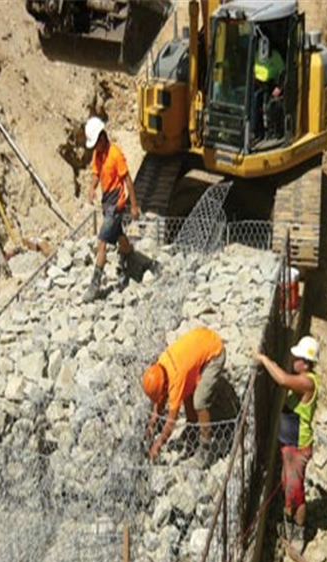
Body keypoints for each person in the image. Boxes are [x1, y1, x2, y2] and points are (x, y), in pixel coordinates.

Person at [254, 335, 320, 551]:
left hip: (297, 447)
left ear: (306, 362)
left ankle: (299, 533)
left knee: (296, 492)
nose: (294, 359)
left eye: (298, 357)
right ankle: (288, 523)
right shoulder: (304, 378)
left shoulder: (306, 382)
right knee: (288, 484)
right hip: (290, 445)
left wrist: (265, 361)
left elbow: (282, 380)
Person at [142, 327, 226, 467]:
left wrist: (157, 446)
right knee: (187, 393)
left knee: (199, 401)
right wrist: (152, 425)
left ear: (164, 386)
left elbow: (171, 422)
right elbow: (160, 401)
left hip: (215, 354)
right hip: (203, 338)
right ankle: (193, 430)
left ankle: (205, 451)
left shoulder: (176, 379)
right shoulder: (161, 364)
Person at [83, 116, 141, 303]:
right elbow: (96, 173)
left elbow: (128, 181)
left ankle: (95, 285)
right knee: (119, 237)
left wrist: (133, 205)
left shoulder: (116, 154)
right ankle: (130, 260)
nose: (94, 149)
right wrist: (92, 187)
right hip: (106, 203)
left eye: (95, 144)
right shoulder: (97, 155)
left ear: (102, 137)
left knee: (102, 242)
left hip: (117, 205)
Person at [253, 34, 284, 139]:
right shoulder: (255, 53)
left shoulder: (276, 57)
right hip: (256, 84)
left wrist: (279, 88)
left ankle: (274, 131)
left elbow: (284, 73)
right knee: (254, 103)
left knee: (272, 106)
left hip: (271, 85)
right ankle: (257, 131)